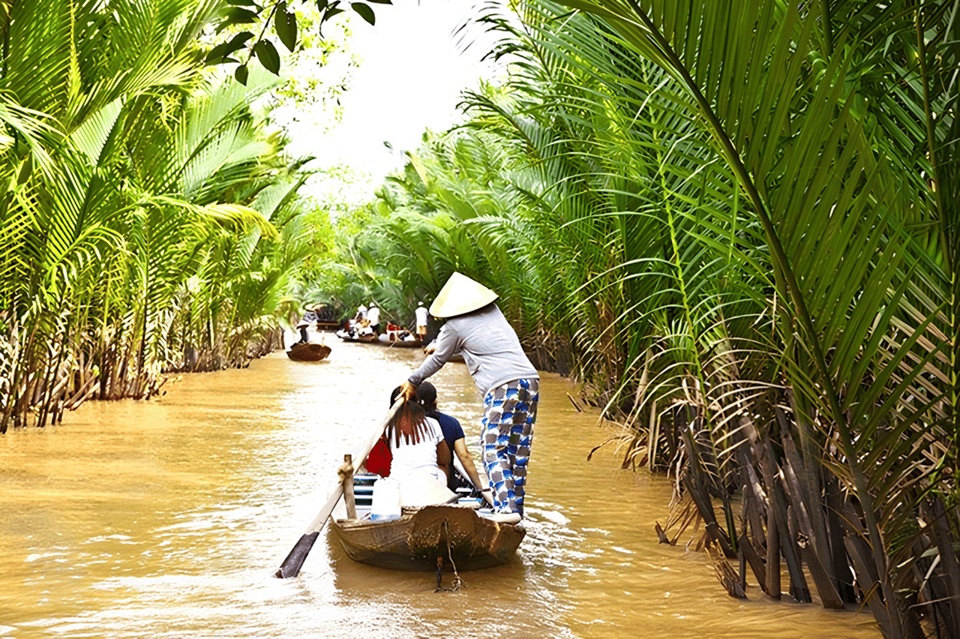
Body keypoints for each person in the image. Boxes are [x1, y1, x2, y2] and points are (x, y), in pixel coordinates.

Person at [400, 272, 539, 524]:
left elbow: (438, 359)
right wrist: (441, 344)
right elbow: (475, 341)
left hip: (503, 386)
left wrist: (413, 380)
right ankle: (516, 509)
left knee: (491, 447)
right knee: (517, 450)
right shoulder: (495, 313)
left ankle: (507, 511)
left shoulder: (454, 326)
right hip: (530, 382)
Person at [415, 381, 490, 502]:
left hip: (412, 482)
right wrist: (479, 487)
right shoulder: (451, 423)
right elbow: (464, 456)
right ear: (435, 401)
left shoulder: (404, 424)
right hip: (445, 484)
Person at [384, 386, 451, 487]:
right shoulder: (433, 423)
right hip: (430, 482)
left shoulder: (388, 427)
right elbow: (445, 460)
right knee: (443, 469)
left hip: (400, 482)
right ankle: (442, 493)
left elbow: (381, 463)